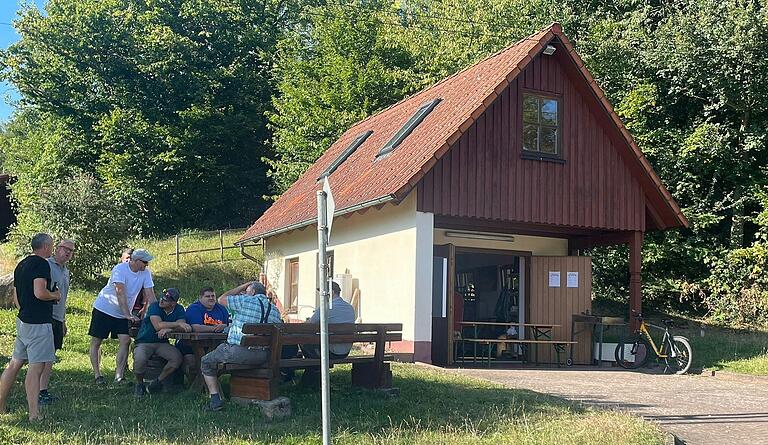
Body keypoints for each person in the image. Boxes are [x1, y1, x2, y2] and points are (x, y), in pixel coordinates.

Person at [0, 233, 61, 421]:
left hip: (23, 320)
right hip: (39, 323)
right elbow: (40, 292)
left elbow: (16, 297)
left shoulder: (22, 264)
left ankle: (0, 406)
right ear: (44, 247)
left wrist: (25, 311)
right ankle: (34, 414)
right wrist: (55, 295)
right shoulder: (41, 264)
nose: (51, 250)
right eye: (51, 246)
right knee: (36, 368)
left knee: (14, 364)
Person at [200, 281, 281, 411]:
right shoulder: (275, 310)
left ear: (252, 292)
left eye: (246, 291)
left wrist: (243, 285)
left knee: (206, 361)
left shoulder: (246, 301)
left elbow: (221, 299)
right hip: (264, 356)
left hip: (241, 353)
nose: (244, 293)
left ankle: (215, 400)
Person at [89, 248, 156, 385]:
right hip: (104, 308)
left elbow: (150, 294)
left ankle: (119, 376)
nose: (146, 265)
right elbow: (120, 292)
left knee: (125, 340)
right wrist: (127, 314)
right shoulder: (120, 269)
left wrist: (157, 313)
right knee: (97, 341)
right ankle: (97, 375)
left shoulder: (145, 273)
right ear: (136, 261)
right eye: (144, 262)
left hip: (123, 313)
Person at [133, 288, 191, 397]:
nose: (161, 300)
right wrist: (176, 325)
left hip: (162, 343)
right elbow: (158, 326)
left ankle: (157, 382)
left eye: (166, 300)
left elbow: (184, 326)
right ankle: (139, 384)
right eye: (162, 297)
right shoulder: (154, 306)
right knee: (140, 359)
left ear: (173, 303)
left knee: (177, 357)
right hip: (144, 341)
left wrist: (170, 329)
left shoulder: (179, 309)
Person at [38, 239, 75, 405]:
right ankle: (39, 391)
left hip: (58, 317)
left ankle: (43, 390)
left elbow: (63, 296)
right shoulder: (46, 265)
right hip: (46, 316)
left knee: (50, 356)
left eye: (71, 251)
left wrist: (63, 320)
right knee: (42, 356)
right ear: (57, 249)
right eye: (65, 249)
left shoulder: (65, 270)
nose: (68, 252)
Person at [177, 287, 230, 376]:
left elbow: (229, 325)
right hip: (191, 345)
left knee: (215, 359)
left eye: (213, 296)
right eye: (207, 296)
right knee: (192, 361)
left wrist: (224, 326)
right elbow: (196, 328)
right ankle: (197, 386)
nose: (211, 298)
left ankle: (205, 383)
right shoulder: (194, 308)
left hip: (216, 344)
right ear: (200, 298)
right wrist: (216, 328)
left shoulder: (221, 308)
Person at [301, 281, 356, 359]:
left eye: (323, 293)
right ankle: (314, 369)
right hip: (345, 352)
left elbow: (309, 325)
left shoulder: (325, 308)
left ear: (332, 292)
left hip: (329, 351)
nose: (321, 296)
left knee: (302, 337)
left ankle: (313, 369)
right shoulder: (350, 308)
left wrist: (306, 322)